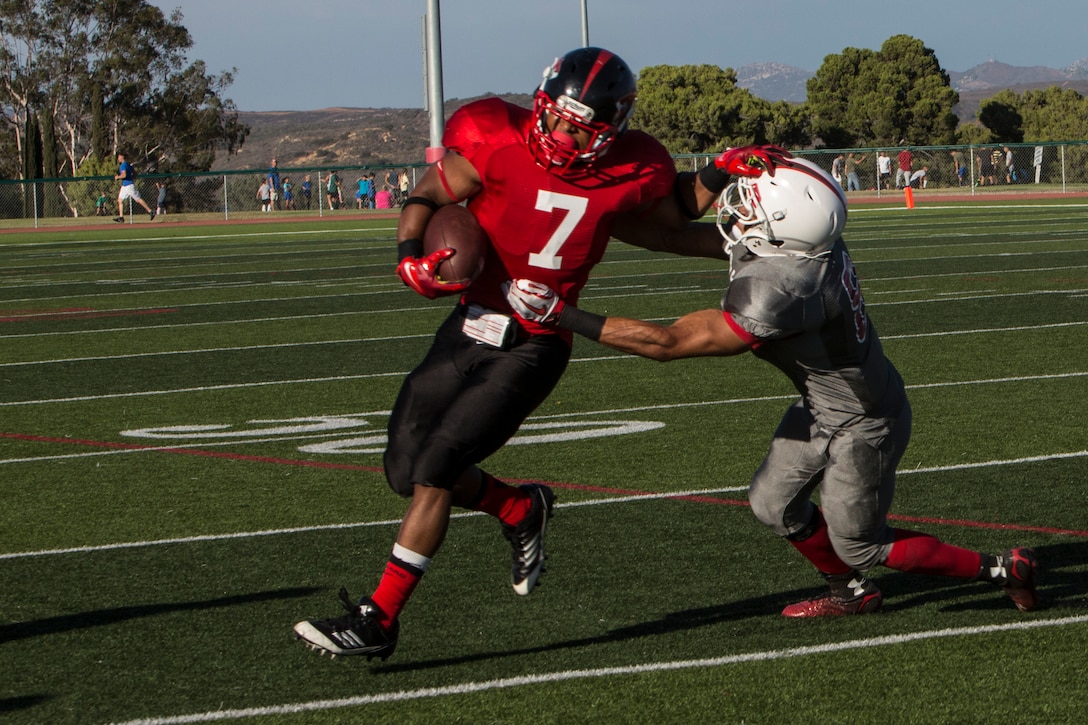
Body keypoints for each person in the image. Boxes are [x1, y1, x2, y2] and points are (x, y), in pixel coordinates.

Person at [291, 46, 777, 659]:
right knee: (402, 467)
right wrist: (408, 255)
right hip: (468, 324)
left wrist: (724, 174)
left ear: (612, 130)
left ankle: (378, 619)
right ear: (541, 103)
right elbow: (428, 193)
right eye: (556, 117)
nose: (563, 133)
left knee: (437, 465)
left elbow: (674, 218)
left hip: (536, 345)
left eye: (582, 126)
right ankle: (519, 506)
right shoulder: (496, 138)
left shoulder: (628, 173)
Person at [506, 154, 1039, 619]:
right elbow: (671, 235)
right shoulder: (808, 243)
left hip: (864, 420)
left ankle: (1001, 570)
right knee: (771, 503)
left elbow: (669, 342)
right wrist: (598, 213)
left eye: (751, 204)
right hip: (828, 401)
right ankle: (849, 593)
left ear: (780, 226)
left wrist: (563, 315)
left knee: (860, 543)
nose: (738, 208)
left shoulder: (784, 287)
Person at [114, 152, 154, 222]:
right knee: (120, 200)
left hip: (129, 186)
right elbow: (135, 173)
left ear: (122, 156)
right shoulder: (128, 164)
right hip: (125, 185)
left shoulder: (123, 165)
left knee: (138, 199)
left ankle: (150, 211)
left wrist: (118, 177)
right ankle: (121, 217)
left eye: (118, 157)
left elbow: (124, 175)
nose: (118, 159)